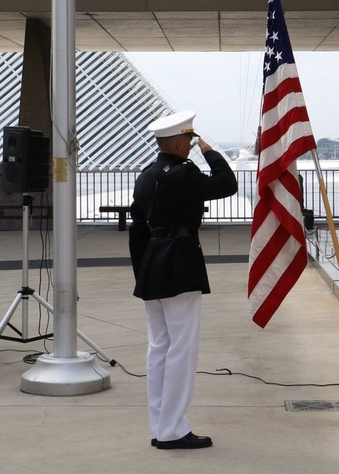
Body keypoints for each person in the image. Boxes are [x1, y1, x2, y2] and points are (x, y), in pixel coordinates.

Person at [128, 110, 238, 450]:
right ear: (177, 142)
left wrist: (141, 273)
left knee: (159, 347)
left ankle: (162, 425)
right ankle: (173, 429)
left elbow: (137, 228)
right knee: (181, 350)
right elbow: (227, 184)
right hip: (179, 263)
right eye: (189, 142)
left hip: (152, 266)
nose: (191, 147)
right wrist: (212, 153)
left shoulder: (146, 175)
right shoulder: (183, 173)